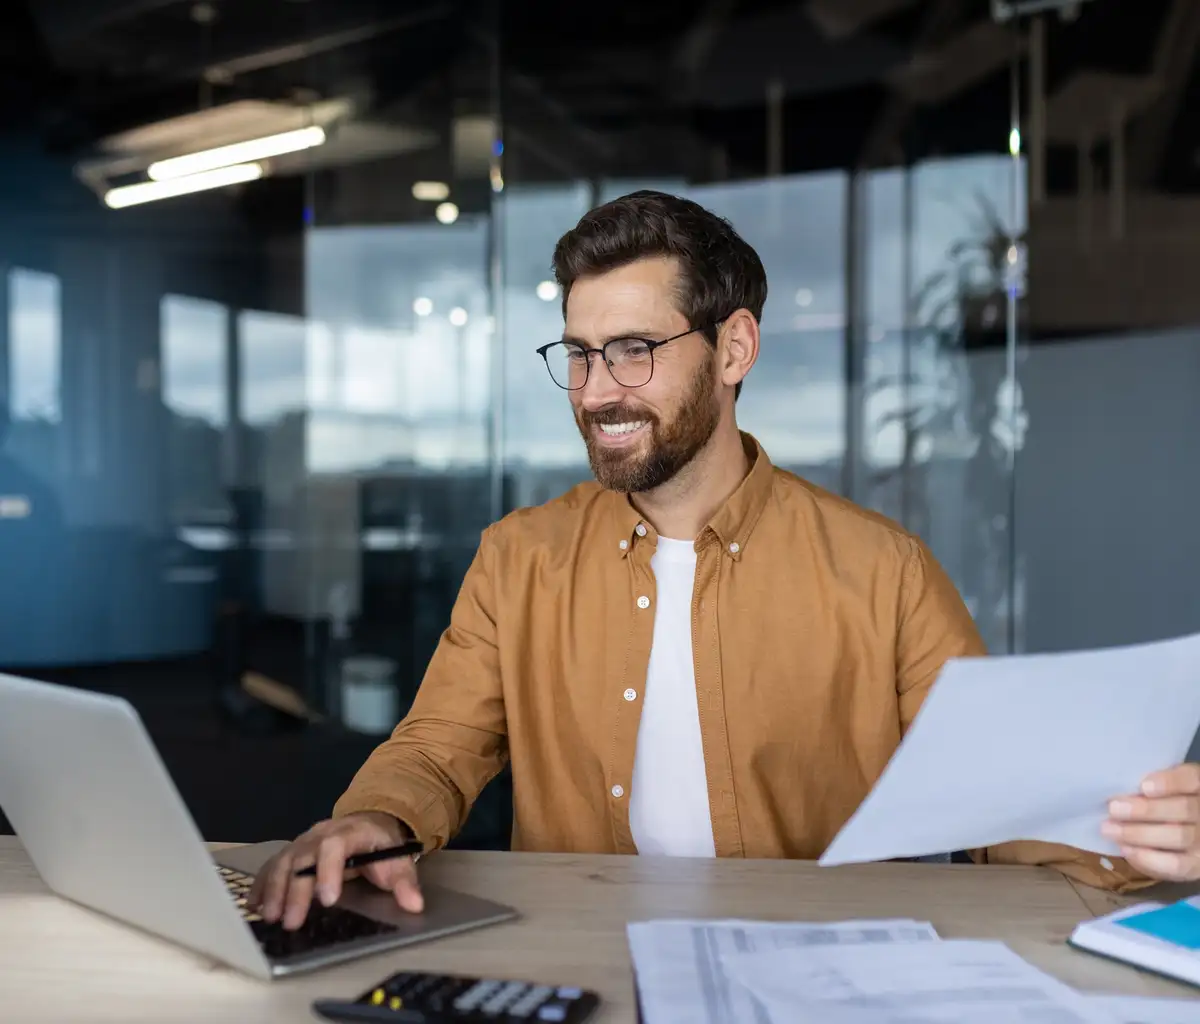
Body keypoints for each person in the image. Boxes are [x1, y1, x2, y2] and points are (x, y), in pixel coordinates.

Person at [251, 191, 1200, 929]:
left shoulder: (883, 572)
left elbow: (1004, 805)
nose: (595, 392)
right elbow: (434, 751)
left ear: (733, 347)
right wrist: (374, 822)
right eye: (578, 354)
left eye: (633, 351)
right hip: (581, 952)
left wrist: (1134, 842)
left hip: (816, 973)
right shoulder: (518, 558)